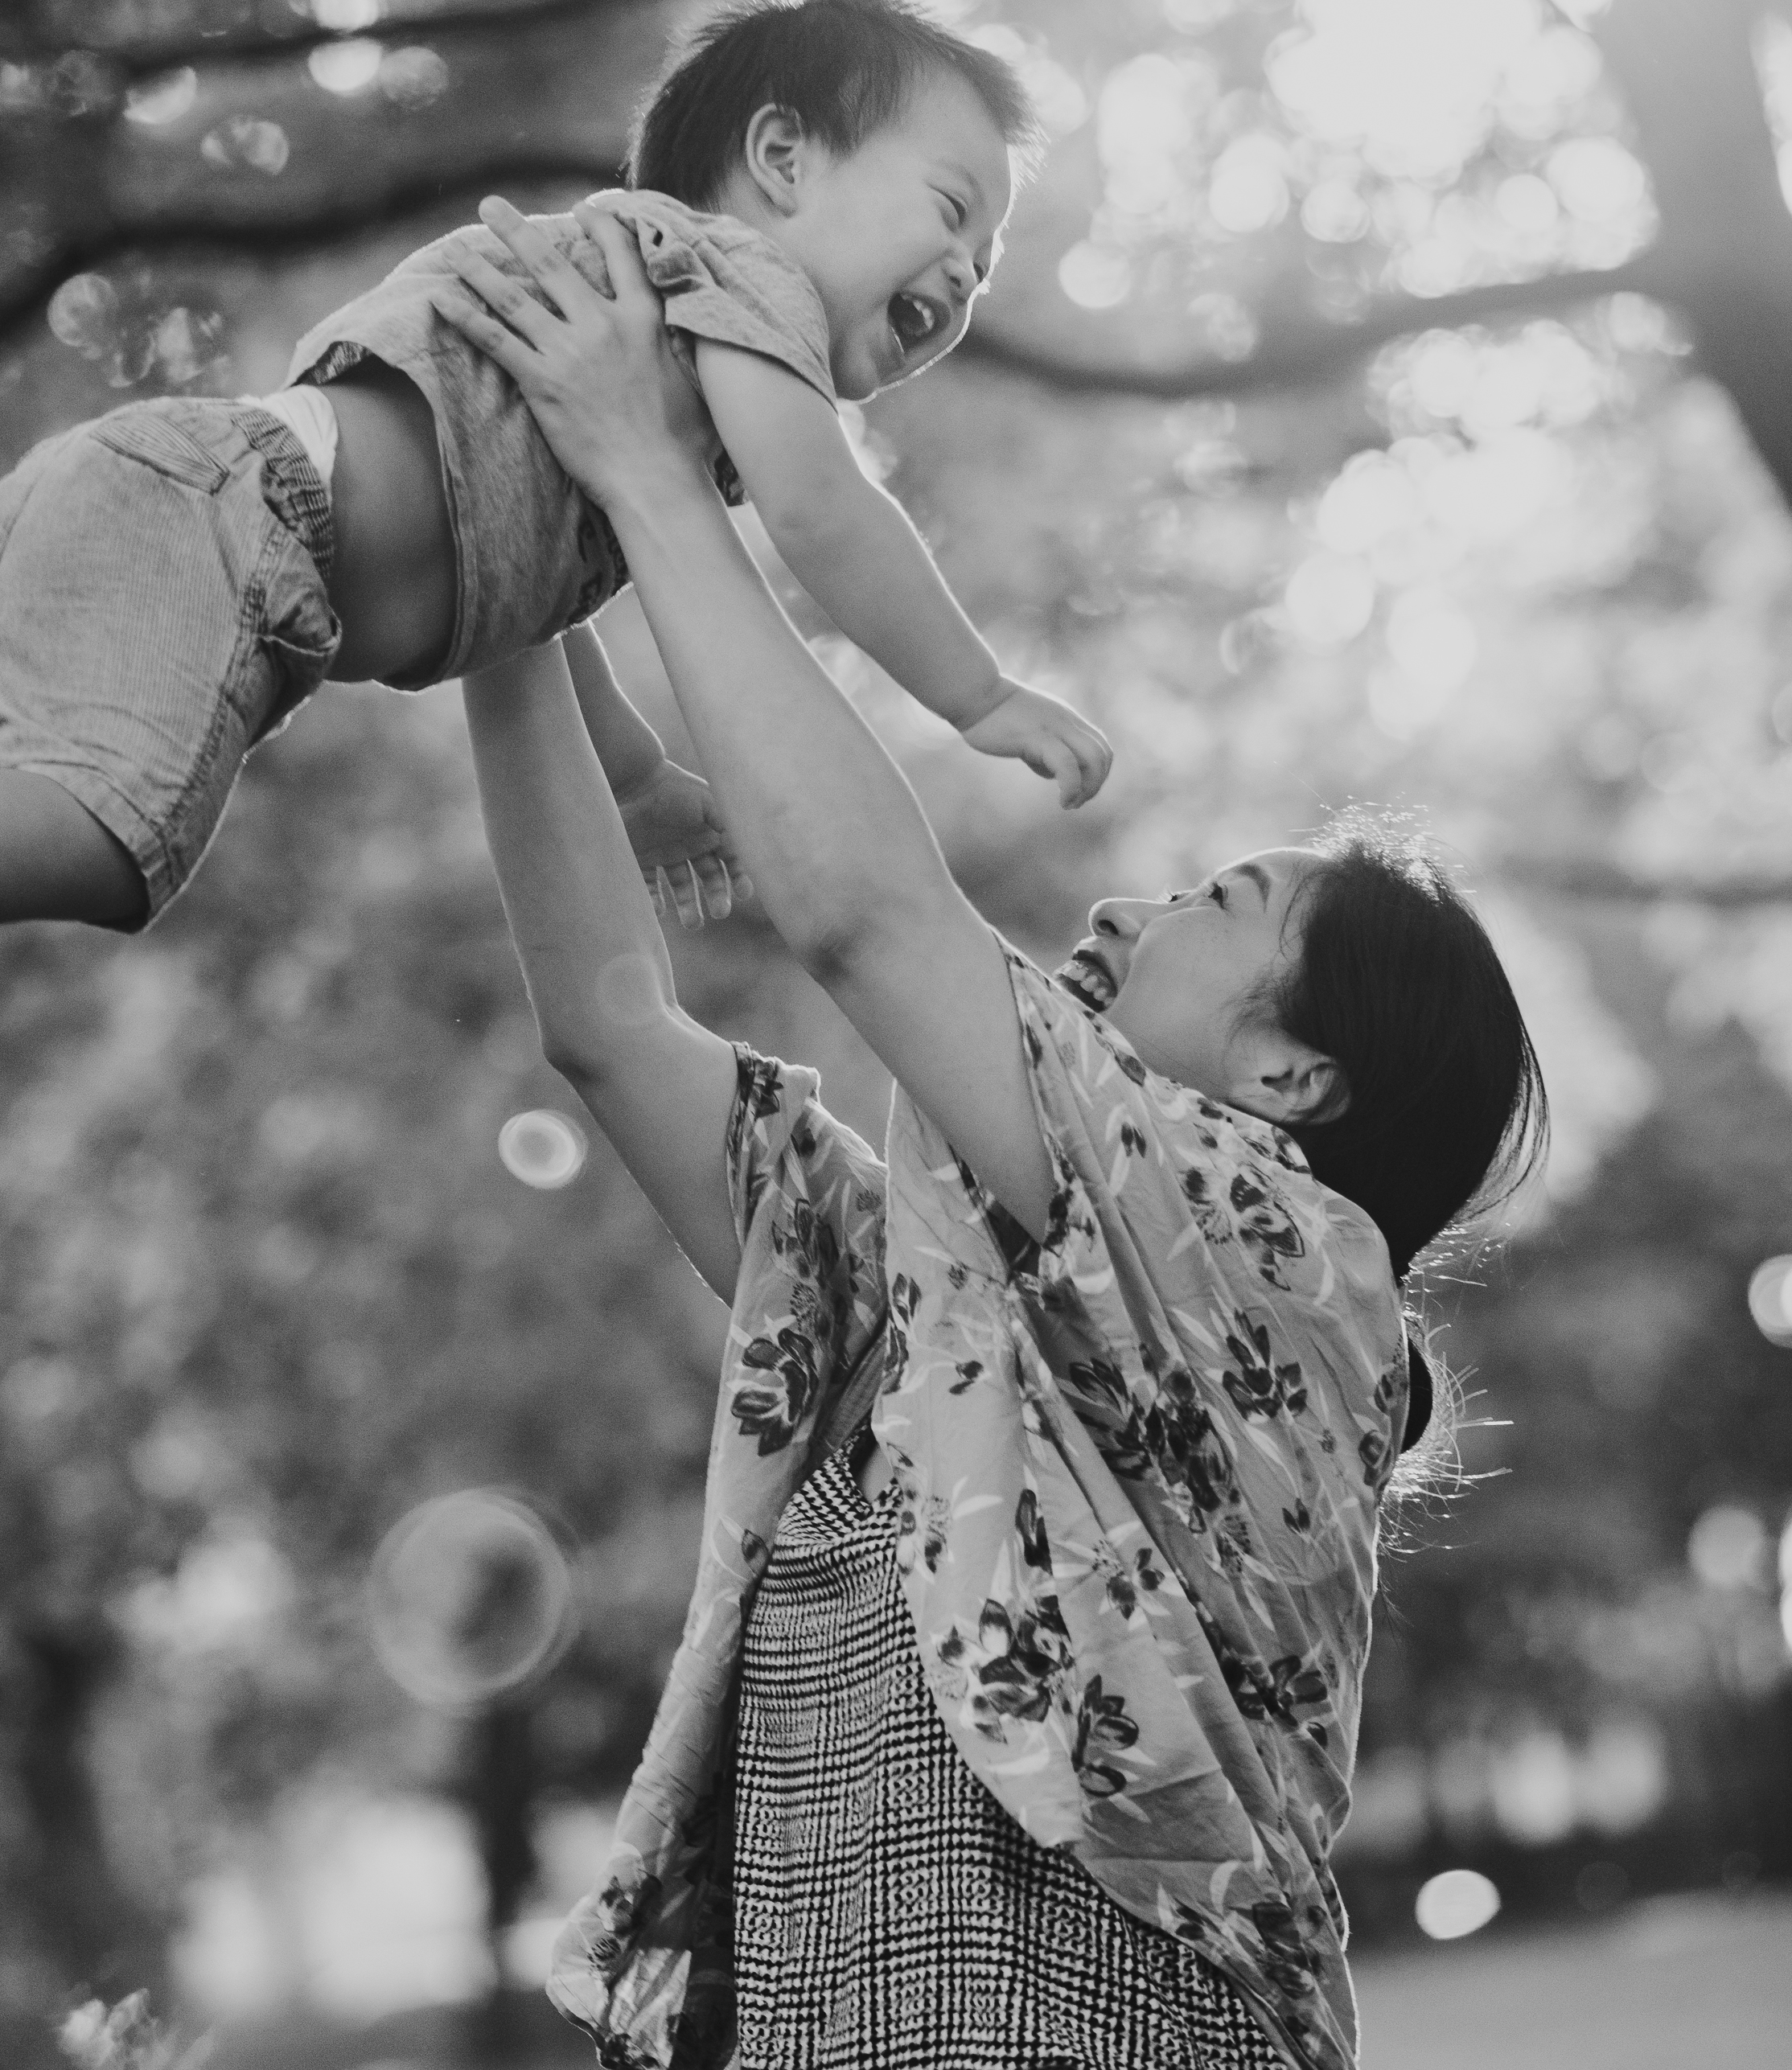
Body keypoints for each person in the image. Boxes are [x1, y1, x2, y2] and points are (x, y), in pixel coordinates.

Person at [454, 210, 1547, 2070]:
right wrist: (509, 580)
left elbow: (869, 915)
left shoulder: (1282, 1266)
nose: (1134, 900)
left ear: (1293, 1083)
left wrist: (646, 470)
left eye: (1218, 898)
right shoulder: (964, 1309)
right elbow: (613, 1026)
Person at [0, 0, 1108, 1003]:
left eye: (986, 263)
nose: (966, 274)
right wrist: (971, 690)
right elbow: (828, 510)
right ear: (782, 160)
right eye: (950, 207)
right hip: (235, 526)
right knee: (104, 822)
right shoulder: (737, 278)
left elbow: (528, 593)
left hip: (159, 489)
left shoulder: (641, 346)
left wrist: (641, 780)